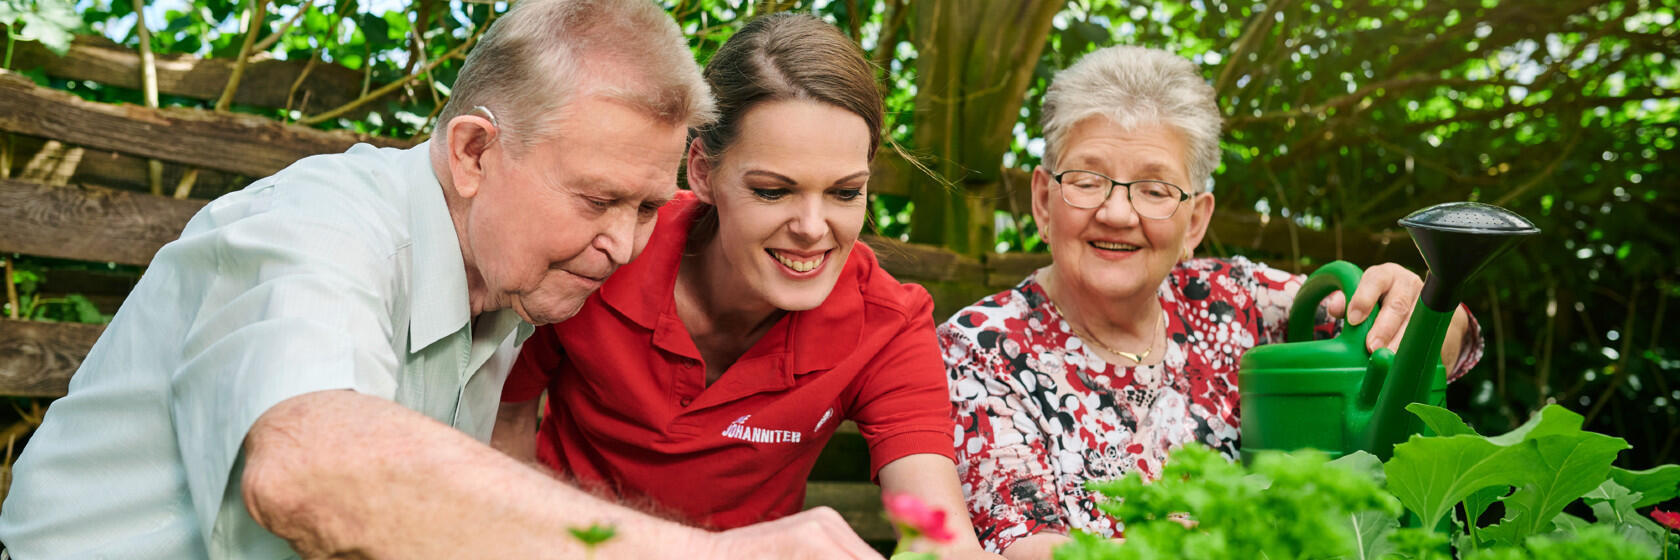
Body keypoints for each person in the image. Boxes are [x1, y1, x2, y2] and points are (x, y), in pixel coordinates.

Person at [0, 2, 881, 558]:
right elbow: (310, 473)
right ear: (473, 152)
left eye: (647, 208)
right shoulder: (316, 226)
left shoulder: (510, 288)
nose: (623, 246)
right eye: (597, 199)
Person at [938, 45, 1484, 558]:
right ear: (1042, 200)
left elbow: (1445, 346)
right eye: (1087, 181)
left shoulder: (1232, 299)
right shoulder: (980, 348)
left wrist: (1417, 310)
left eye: (1155, 190)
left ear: (1196, 221)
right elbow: (1025, 546)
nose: (1117, 213)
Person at [494, 13, 998, 559]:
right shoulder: (604, 250)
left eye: (845, 192)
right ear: (702, 172)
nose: (812, 228)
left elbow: (941, 537)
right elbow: (506, 424)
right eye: (773, 191)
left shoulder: (888, 325)